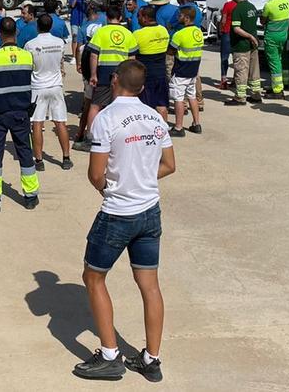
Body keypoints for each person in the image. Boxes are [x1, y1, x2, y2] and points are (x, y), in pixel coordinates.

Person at [73, 60, 175, 383]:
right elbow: (169, 165)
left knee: (93, 277)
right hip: (150, 211)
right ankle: (152, 358)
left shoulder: (105, 119)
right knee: (150, 285)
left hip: (119, 212)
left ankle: (109, 355)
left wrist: (115, 187)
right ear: (143, 88)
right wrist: (143, 178)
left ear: (115, 80)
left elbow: (95, 174)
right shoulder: (156, 119)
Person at [0, 17, 39, 212]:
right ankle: (30, 196)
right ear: (17, 33)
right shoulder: (28, 56)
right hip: (21, 112)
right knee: (25, 152)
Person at [26, 13, 73, 171]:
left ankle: (39, 160)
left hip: (38, 86)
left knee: (37, 123)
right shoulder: (59, 42)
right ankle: (66, 157)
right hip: (55, 85)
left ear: (37, 26)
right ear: (51, 26)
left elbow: (29, 65)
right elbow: (60, 61)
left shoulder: (30, 44)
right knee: (60, 121)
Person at [73, 1, 109, 150]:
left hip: (89, 63)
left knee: (89, 103)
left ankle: (85, 135)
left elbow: (78, 47)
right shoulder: (105, 21)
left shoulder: (83, 28)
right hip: (105, 63)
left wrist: (78, 63)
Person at [168, 5, 204, 136]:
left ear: (187, 18)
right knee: (192, 97)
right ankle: (196, 123)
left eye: (180, 15)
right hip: (193, 69)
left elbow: (170, 51)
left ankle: (178, 127)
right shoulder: (198, 32)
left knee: (178, 99)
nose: (178, 17)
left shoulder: (179, 34)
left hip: (181, 70)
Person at [226, 0, 262, 106]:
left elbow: (236, 29)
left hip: (241, 45)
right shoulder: (251, 7)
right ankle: (256, 95)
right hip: (253, 45)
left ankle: (240, 97)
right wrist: (252, 38)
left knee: (241, 70)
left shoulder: (238, 9)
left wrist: (249, 36)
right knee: (254, 71)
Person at [132, 6, 171, 119]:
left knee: (145, 106)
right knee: (162, 105)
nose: (137, 19)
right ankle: (164, 131)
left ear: (145, 18)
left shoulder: (137, 34)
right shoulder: (164, 30)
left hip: (145, 76)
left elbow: (131, 55)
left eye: (139, 16)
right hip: (161, 74)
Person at [260, 0, 289, 99]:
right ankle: (281, 84)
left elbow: (262, 21)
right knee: (280, 60)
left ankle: (278, 90)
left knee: (274, 63)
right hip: (283, 35)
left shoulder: (269, 5)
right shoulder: (287, 1)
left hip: (272, 37)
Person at [218, 0, 238, 90]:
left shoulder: (228, 5)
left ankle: (224, 80)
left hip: (227, 32)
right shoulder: (240, 5)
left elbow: (223, 20)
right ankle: (236, 79)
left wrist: (220, 29)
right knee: (236, 58)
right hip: (237, 33)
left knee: (224, 57)